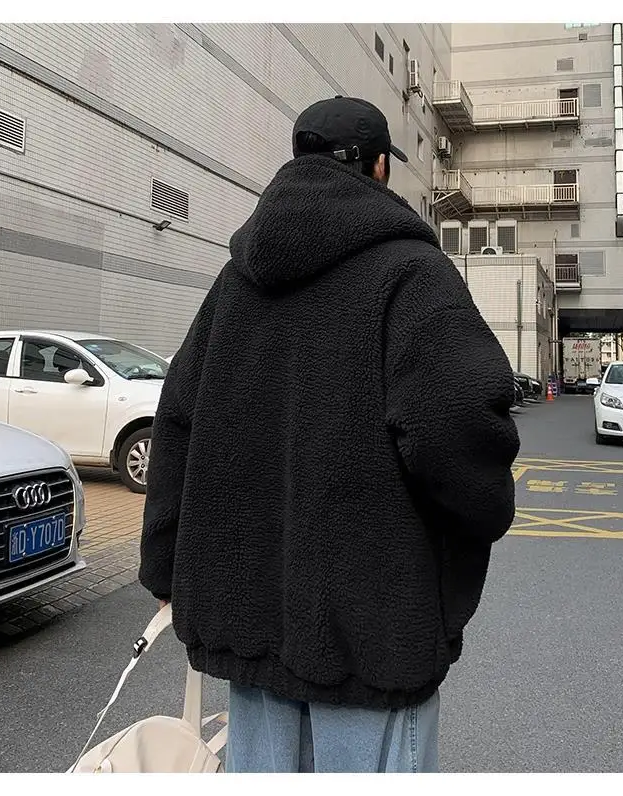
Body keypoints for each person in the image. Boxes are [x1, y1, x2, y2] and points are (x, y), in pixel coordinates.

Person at [139, 96, 520, 773]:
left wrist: (164, 565)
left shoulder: (236, 281)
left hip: (249, 626)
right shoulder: (410, 272)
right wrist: (479, 516)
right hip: (374, 629)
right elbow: (458, 420)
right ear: (379, 167)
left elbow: (178, 417)